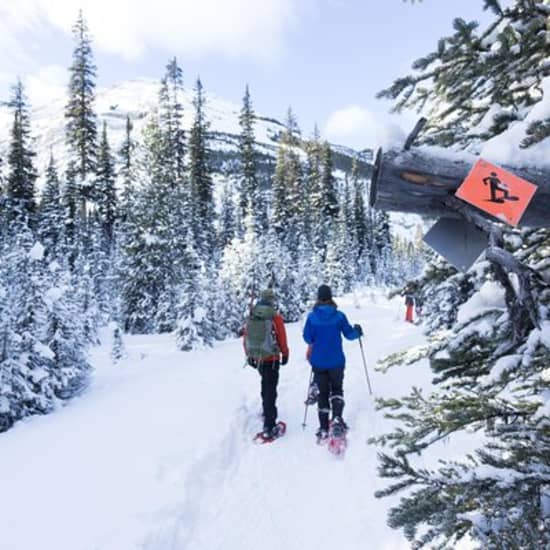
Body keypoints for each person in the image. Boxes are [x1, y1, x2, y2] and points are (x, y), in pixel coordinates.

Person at [302, 284, 362, 440]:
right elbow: (349, 335)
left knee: (322, 394)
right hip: (336, 361)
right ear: (330, 297)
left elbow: (307, 338)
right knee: (337, 389)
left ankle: (323, 427)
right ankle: (336, 419)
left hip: (319, 362)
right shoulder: (339, 316)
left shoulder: (312, 317)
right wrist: (358, 331)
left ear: (318, 297)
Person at [243, 288, 289, 439]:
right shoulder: (274, 317)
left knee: (265, 384)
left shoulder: (253, 315)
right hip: (272, 358)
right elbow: (282, 337)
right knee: (271, 389)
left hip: (258, 358)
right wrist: (285, 353)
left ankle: (266, 411)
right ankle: (270, 425)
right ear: (272, 301)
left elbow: (246, 336)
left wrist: (249, 355)